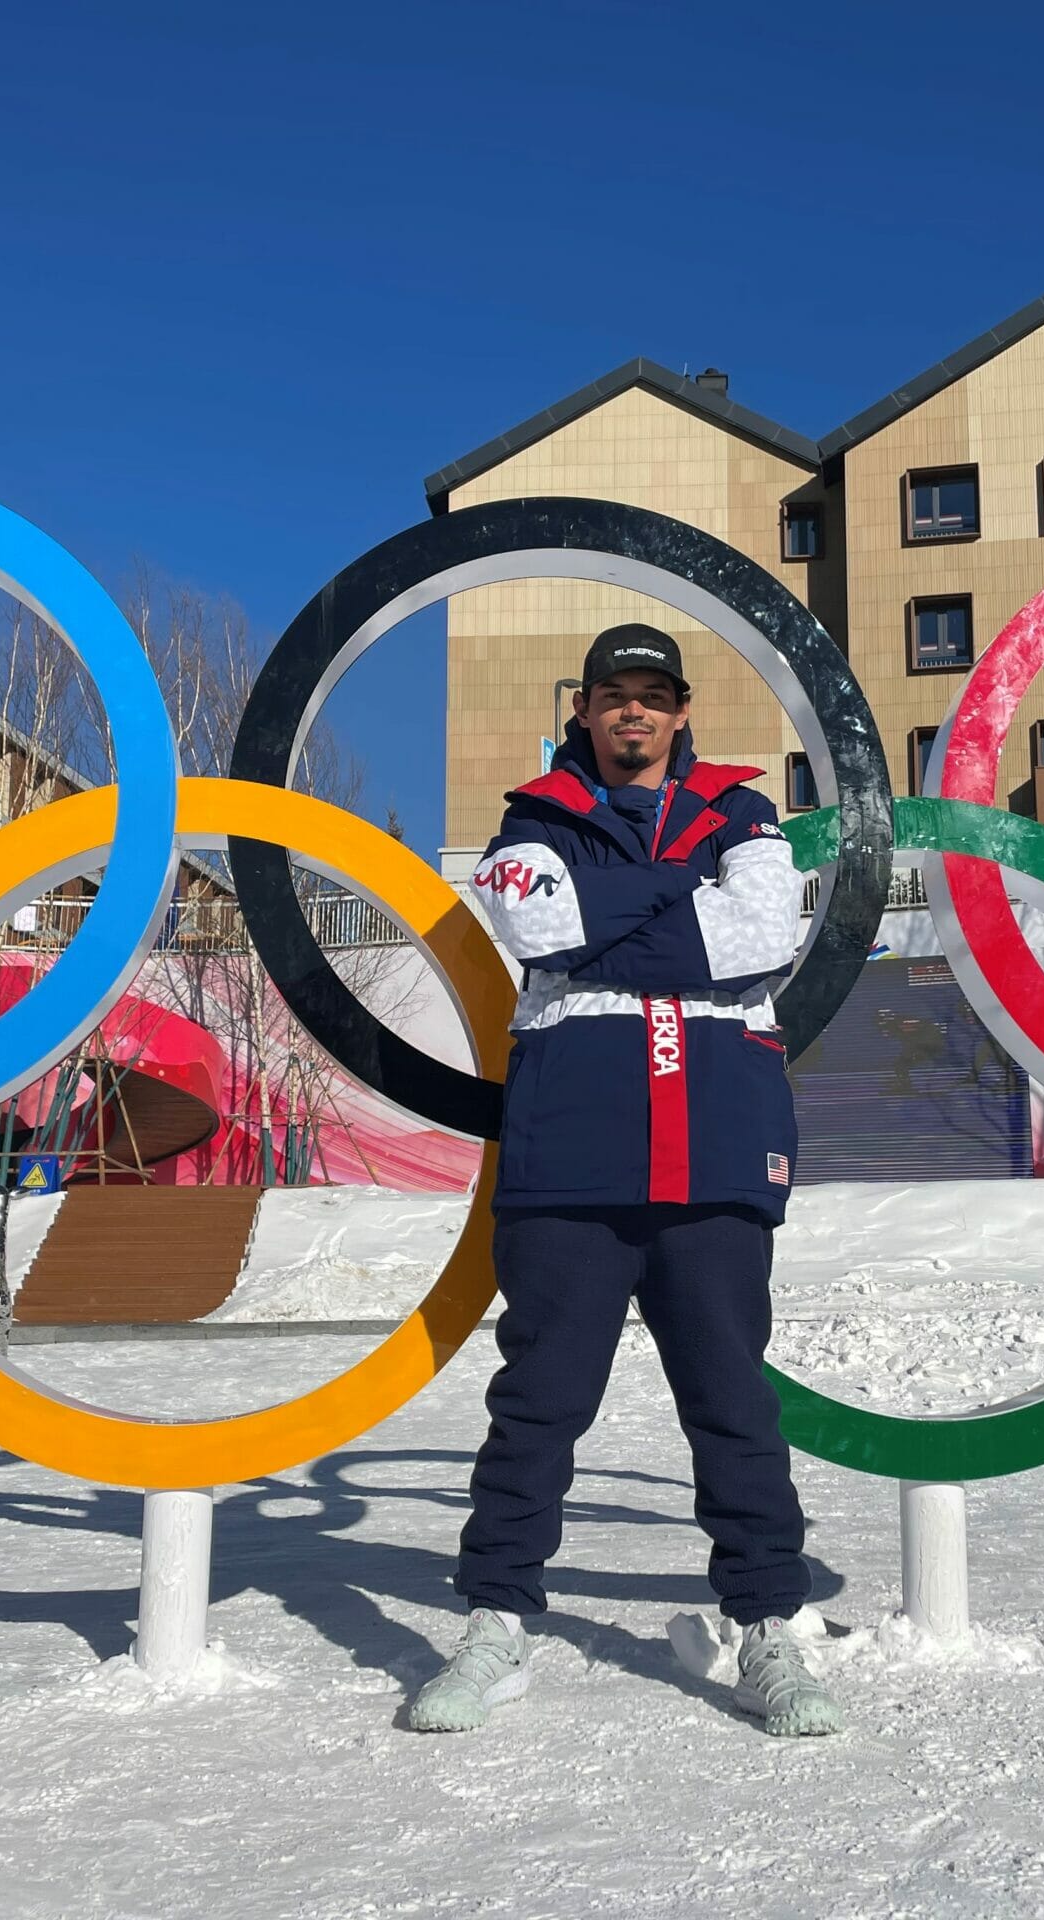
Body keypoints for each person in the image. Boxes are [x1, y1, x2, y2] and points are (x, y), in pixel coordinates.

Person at [408, 622, 841, 1738]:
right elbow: (536, 926)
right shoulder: (531, 817)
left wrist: (609, 920)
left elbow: (760, 930)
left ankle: (767, 1632)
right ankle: (496, 1621)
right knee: (537, 1407)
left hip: (715, 1148)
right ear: (585, 709)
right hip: (572, 1157)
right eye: (614, 695)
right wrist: (674, 902)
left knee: (733, 1405)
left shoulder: (745, 814)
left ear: (681, 710)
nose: (633, 713)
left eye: (654, 695)